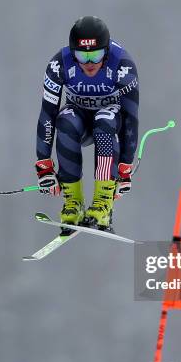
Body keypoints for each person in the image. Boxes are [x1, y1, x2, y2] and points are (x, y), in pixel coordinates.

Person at [34, 16, 139, 231]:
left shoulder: (122, 65)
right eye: (83, 56)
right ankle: (73, 202)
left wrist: (125, 168)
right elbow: (47, 114)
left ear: (107, 51)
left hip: (110, 121)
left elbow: (130, 118)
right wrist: (43, 164)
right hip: (78, 119)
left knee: (104, 121)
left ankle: (103, 203)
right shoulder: (58, 65)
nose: (89, 63)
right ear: (73, 53)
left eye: (96, 55)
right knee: (65, 121)